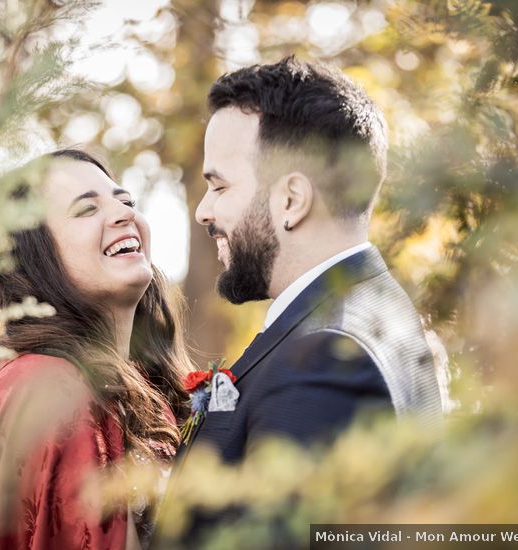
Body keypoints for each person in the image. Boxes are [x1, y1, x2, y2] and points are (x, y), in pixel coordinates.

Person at [161, 56, 444, 543]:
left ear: (291, 199)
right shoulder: (375, 316)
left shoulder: (325, 357)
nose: (204, 211)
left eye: (220, 186)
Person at [0, 149, 193, 550]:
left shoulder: (135, 390)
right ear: (38, 258)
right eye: (87, 210)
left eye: (126, 202)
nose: (125, 215)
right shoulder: (51, 386)